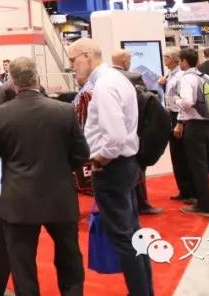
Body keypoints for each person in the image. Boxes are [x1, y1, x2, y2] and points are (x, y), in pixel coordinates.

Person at [0, 57, 89, 296]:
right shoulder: (64, 111)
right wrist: (59, 169)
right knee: (69, 258)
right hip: (60, 198)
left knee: (22, 265)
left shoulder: (0, 115)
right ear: (37, 78)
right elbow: (81, 155)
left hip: (19, 201)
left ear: (12, 83)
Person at [67, 38, 152, 296]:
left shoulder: (104, 86)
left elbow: (114, 138)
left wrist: (99, 160)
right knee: (133, 234)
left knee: (124, 238)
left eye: (73, 60)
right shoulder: (116, 80)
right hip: (125, 165)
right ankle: (144, 291)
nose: (71, 66)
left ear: (87, 55)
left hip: (112, 168)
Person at [174, 48, 209, 216]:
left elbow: (188, 102)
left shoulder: (187, 79)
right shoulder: (205, 77)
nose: (180, 63)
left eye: (180, 61)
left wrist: (177, 100)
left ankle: (204, 205)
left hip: (194, 127)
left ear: (184, 61)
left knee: (199, 167)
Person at [110, 49, 160, 215]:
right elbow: (145, 103)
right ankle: (142, 204)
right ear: (125, 61)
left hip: (113, 133)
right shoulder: (134, 77)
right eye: (130, 59)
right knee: (138, 169)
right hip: (135, 131)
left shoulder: (106, 78)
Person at [158, 49, 194, 202]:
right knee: (176, 155)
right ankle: (184, 190)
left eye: (166, 57)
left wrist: (179, 122)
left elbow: (182, 101)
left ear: (173, 59)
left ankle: (190, 191)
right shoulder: (170, 75)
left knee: (182, 155)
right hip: (171, 115)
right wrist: (163, 85)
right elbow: (170, 96)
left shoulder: (180, 76)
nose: (164, 59)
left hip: (179, 116)